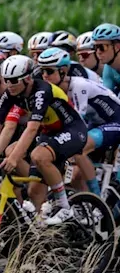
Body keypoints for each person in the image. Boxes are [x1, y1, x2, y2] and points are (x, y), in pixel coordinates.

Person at [0, 54, 87, 224]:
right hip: (49, 133)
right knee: (34, 192)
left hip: (72, 129)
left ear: (27, 78)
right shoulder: (12, 93)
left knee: (38, 155)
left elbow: (32, 128)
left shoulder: (42, 90)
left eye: (14, 80)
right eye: (6, 80)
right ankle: (45, 235)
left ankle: (64, 206)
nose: (9, 85)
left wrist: (14, 159)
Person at [37, 48, 120, 195]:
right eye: (41, 71)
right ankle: (84, 204)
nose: (44, 76)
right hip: (97, 124)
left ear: (63, 71)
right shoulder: (56, 90)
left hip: (116, 122)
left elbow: (77, 121)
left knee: (79, 146)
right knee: (75, 173)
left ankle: (97, 199)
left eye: (49, 71)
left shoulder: (78, 86)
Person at [89, 23, 120, 94]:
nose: (98, 52)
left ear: (117, 47)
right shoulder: (108, 68)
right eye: (95, 47)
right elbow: (106, 95)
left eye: (102, 47)